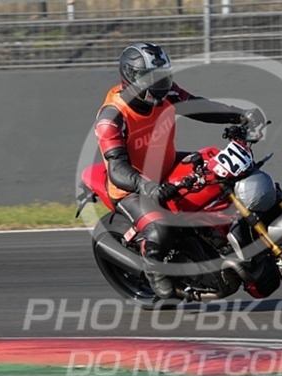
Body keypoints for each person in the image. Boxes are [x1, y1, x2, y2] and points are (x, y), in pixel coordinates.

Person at [95, 42, 266, 299]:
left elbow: (199, 106)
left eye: (162, 76)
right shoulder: (111, 118)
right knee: (161, 230)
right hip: (132, 187)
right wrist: (145, 186)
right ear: (132, 79)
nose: (159, 84)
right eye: (151, 78)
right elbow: (117, 168)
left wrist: (240, 116)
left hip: (168, 165)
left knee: (220, 169)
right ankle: (154, 269)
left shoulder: (168, 93)